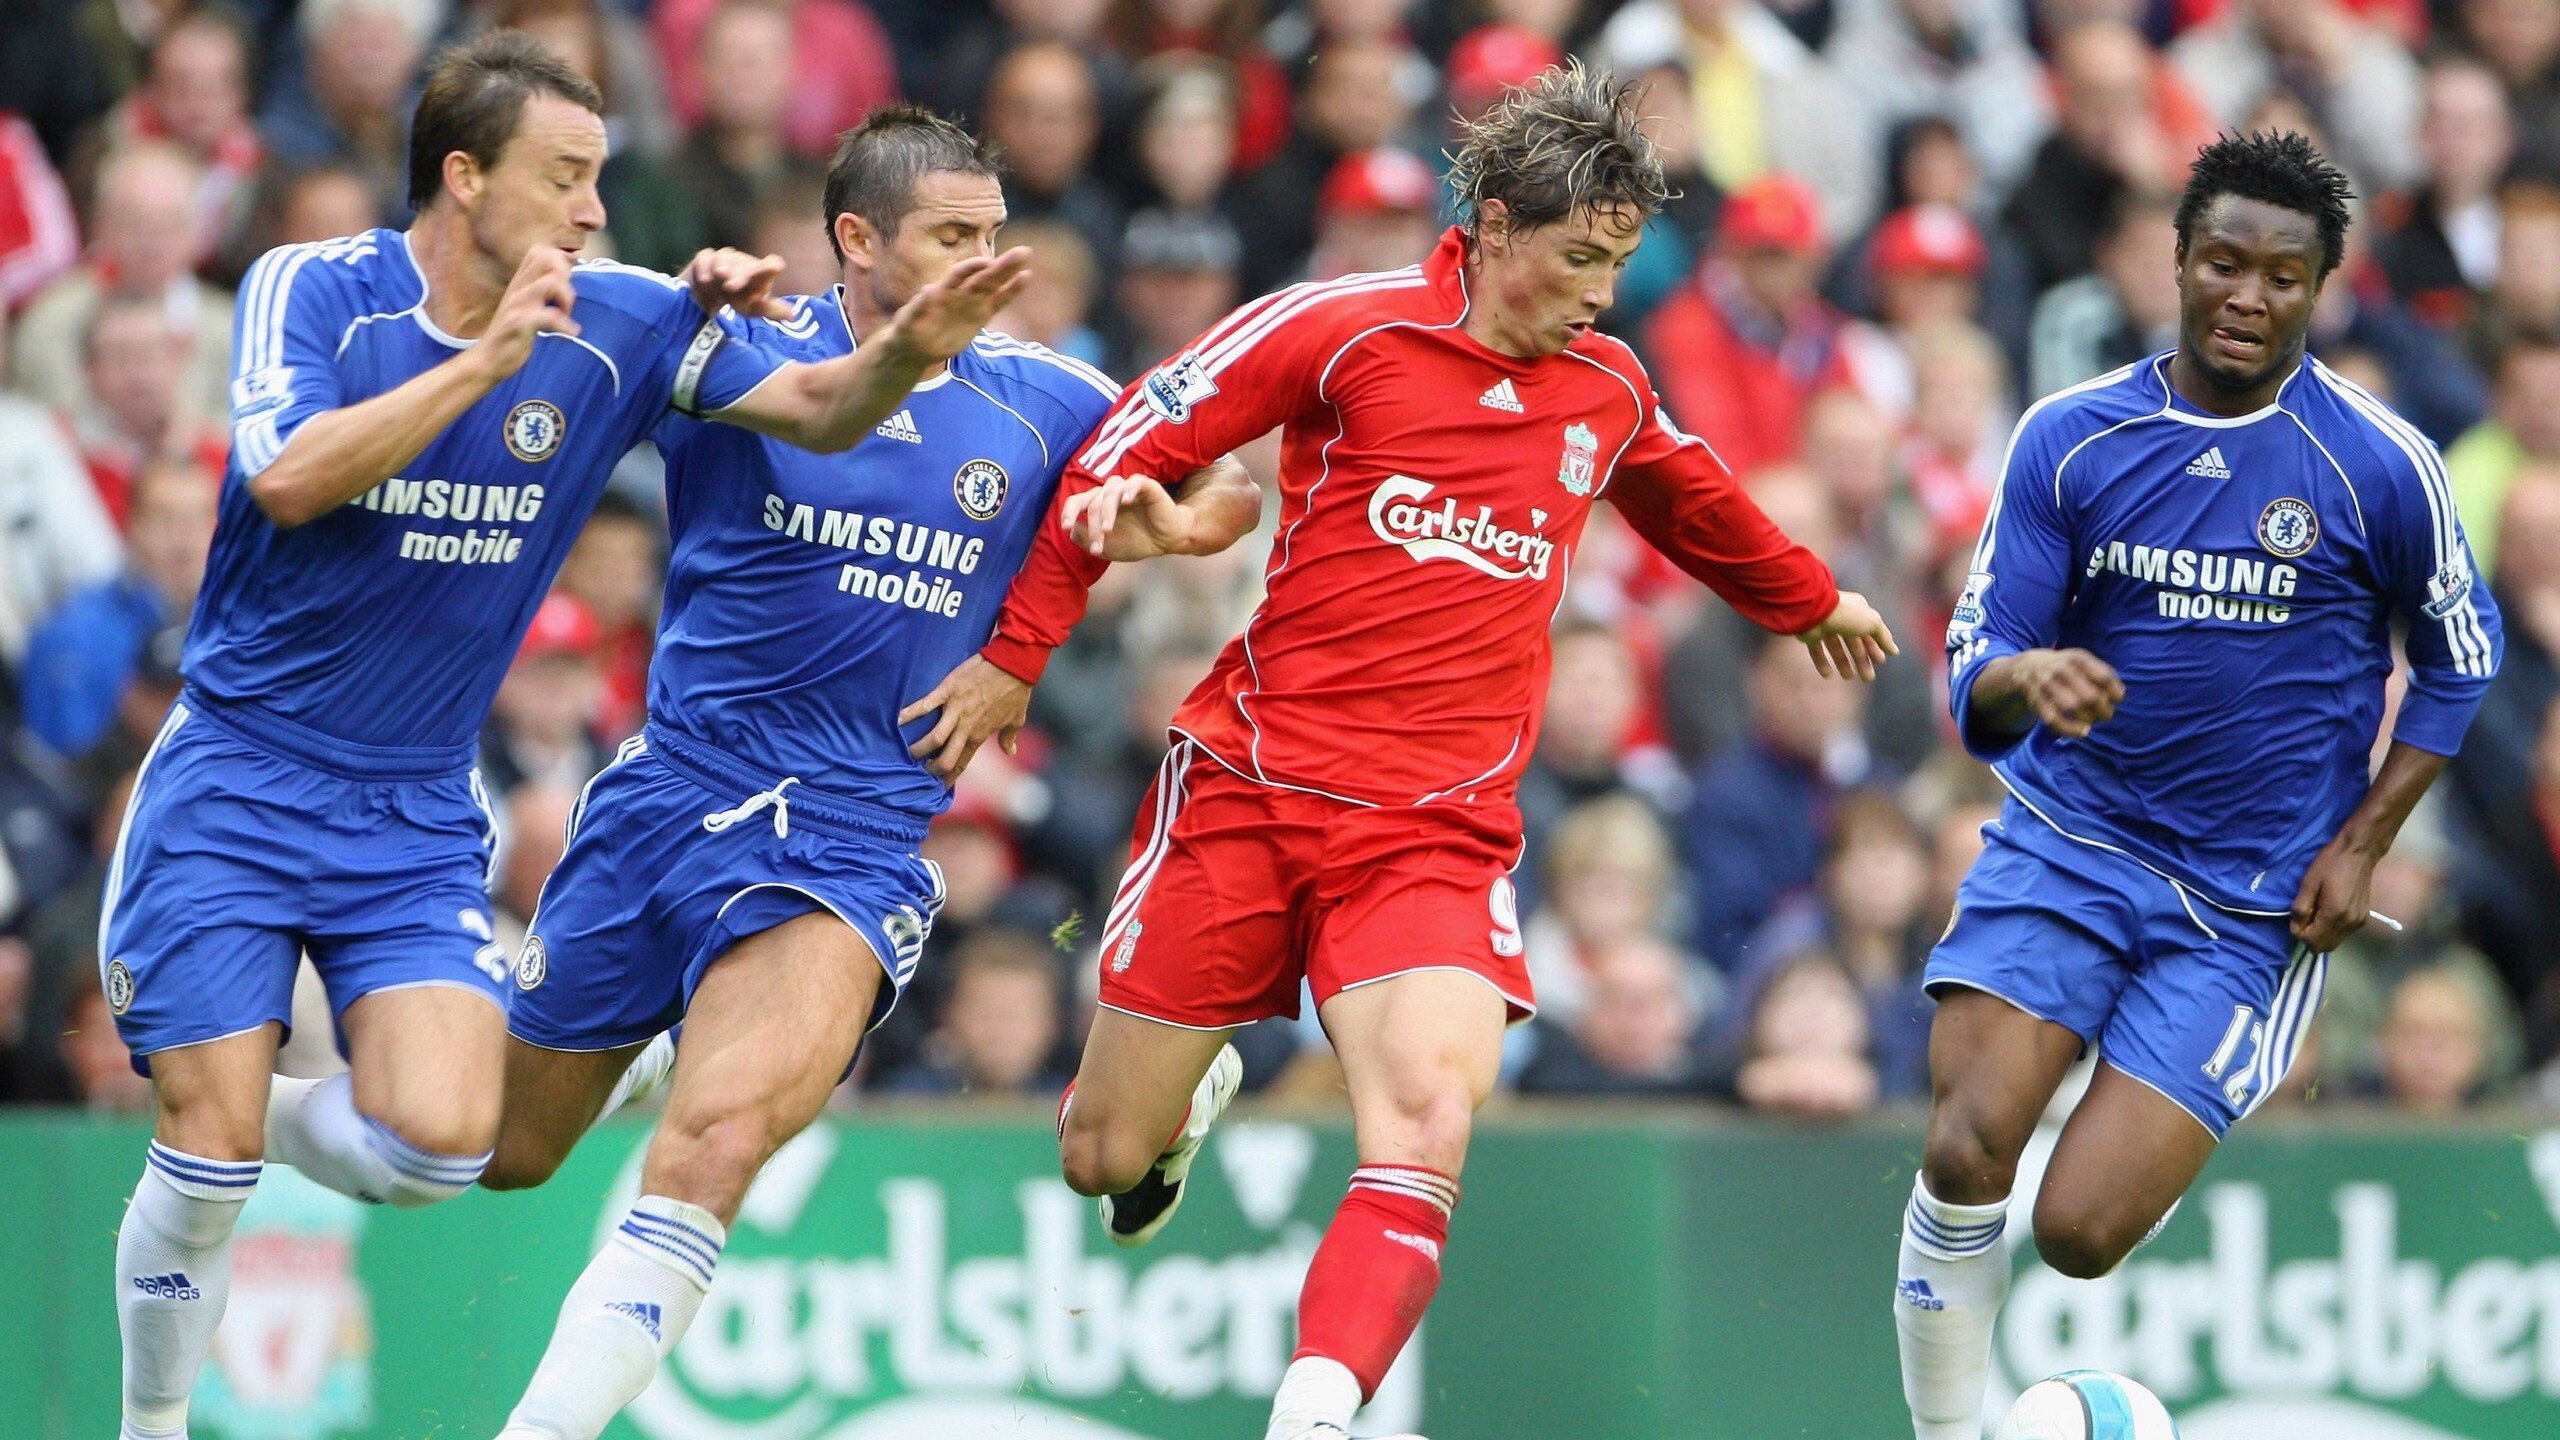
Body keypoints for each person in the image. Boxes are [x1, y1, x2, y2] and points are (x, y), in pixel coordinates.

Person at [905, 64, 1893, 1440]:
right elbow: (1124, 445)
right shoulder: (1345, 328)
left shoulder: (1604, 384)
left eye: (1620, 264)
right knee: (1100, 1154)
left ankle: (1312, 1414)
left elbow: (1688, 492)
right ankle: (1184, 1111)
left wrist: (1807, 597)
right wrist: (1020, 654)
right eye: (1578, 259)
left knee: (1428, 1115)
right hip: (1248, 788)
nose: (1603, 294)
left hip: (1435, 831)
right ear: (1492, 224)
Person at [99, 36, 1029, 1440]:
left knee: (450, 1147)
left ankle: (246, 1103)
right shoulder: (321, 289)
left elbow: (827, 409)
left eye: (602, 178)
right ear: (466, 178)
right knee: (209, 1157)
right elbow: (288, 479)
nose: (597, 211)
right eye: (568, 177)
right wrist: (486, 363)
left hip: (412, 808)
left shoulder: (629, 319)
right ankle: (151, 1420)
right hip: (240, 773)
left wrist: (906, 333)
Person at [472, 106, 1255, 1440]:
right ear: (856, 238)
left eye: (996, 235)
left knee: (710, 1152)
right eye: (955, 237)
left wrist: (1176, 525)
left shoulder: (1047, 394)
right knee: (498, 1155)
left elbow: (1227, 485)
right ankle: (663, 1042)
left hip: (847, 838)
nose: (990, 265)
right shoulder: (743, 353)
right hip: (669, 798)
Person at [1893, 132, 2504, 1440]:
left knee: (2078, 1235)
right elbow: (1973, 672)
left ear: (2322, 288)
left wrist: (2368, 843)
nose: (2248, 296)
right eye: (2223, 262)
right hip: (2069, 843)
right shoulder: (2070, 438)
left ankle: (2109, 1408)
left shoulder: (2380, 466)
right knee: (1964, 1149)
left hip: (2247, 909)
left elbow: (2463, 662)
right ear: (2175, 261)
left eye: (2283, 277)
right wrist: (2033, 676)